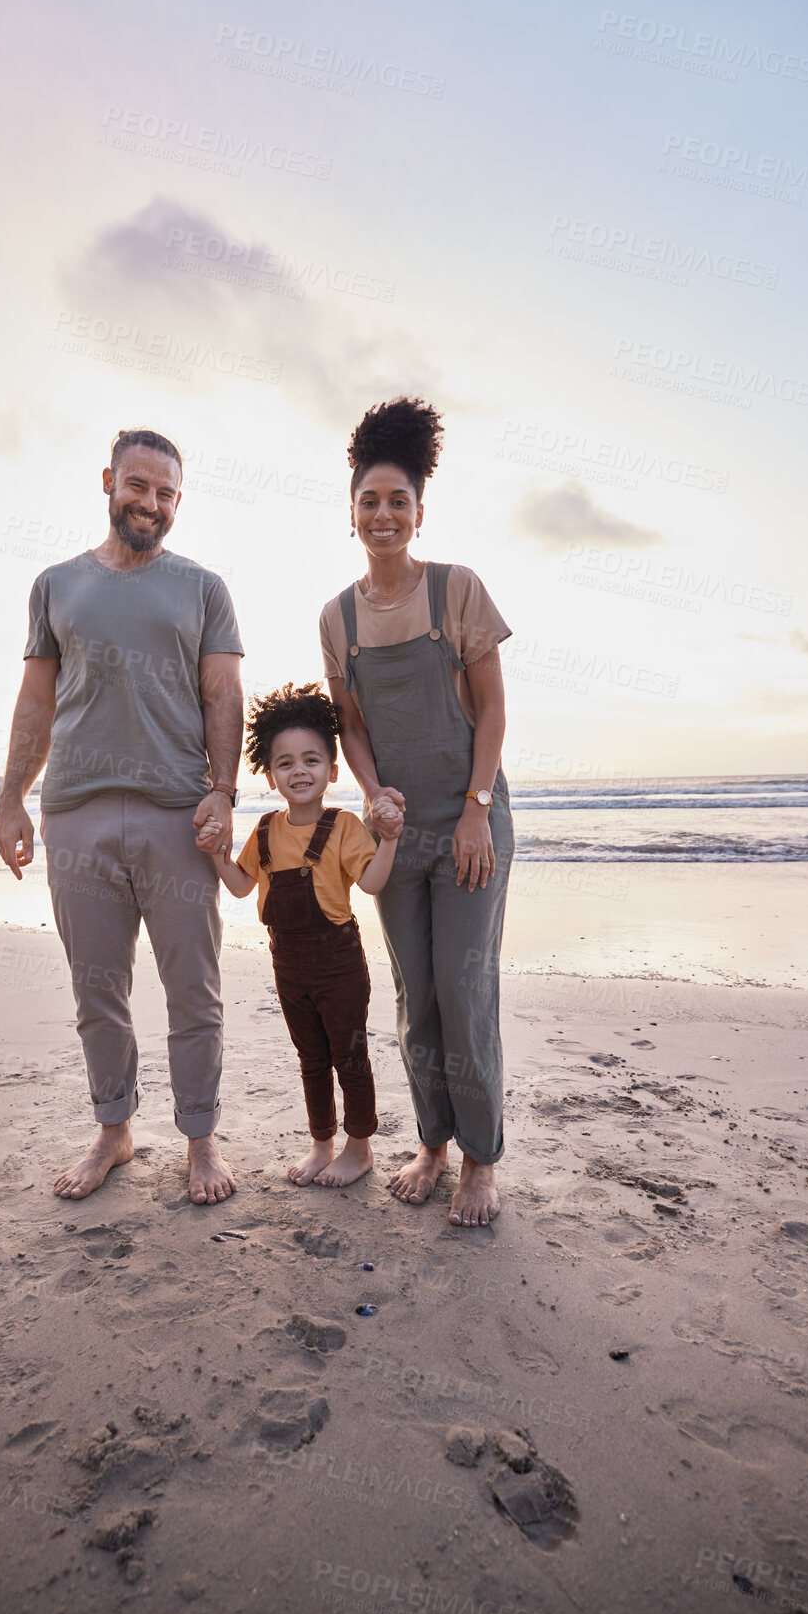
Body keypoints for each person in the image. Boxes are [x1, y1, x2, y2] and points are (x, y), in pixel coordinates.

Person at [0, 427, 244, 1205]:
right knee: (96, 987)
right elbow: (37, 701)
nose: (151, 503)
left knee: (192, 988)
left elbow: (223, 695)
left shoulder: (204, 588)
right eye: (138, 486)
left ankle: (201, 1138)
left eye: (166, 492)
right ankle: (115, 1129)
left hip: (177, 814)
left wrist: (224, 791)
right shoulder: (55, 584)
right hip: (75, 811)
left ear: (178, 501)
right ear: (109, 481)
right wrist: (10, 799)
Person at [320, 397, 513, 1227]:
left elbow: (494, 712)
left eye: (398, 500)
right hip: (398, 836)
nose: (384, 513)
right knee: (415, 997)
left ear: (419, 511)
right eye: (370, 501)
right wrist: (370, 795)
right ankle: (432, 1143)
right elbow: (352, 728)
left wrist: (475, 808)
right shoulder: (336, 618)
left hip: (470, 823)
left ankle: (480, 1160)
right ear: (352, 513)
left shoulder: (456, 592)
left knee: (465, 991)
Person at [206, 683, 403, 1188]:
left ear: (332, 772)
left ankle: (359, 1150)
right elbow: (241, 886)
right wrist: (215, 855)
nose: (300, 771)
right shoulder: (266, 830)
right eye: (286, 762)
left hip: (339, 963)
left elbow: (374, 883)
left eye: (312, 760)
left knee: (350, 1057)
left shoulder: (342, 828)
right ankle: (322, 1145)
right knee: (311, 1058)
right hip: (287, 963)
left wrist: (390, 841)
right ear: (270, 775)